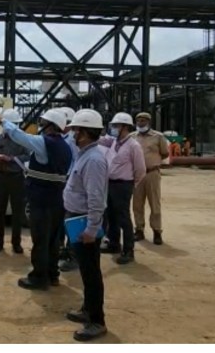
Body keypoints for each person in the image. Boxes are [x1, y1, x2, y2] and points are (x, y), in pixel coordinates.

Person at [0, 108, 72, 290]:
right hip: (57, 199)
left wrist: (1, 120)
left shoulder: (45, 143)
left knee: (40, 240)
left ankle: (39, 278)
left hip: (41, 199)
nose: (40, 125)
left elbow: (19, 136)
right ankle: (52, 275)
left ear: (51, 125)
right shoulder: (65, 147)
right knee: (52, 240)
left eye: (43, 122)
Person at [63, 109, 108, 341]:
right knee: (85, 270)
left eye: (76, 130)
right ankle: (87, 309)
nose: (73, 134)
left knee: (91, 274)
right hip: (76, 219)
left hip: (84, 222)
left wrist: (91, 229)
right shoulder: (85, 154)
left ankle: (97, 321)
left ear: (85, 132)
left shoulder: (94, 160)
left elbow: (96, 198)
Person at [99, 112, 146, 264]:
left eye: (116, 125)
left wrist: (132, 184)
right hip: (110, 183)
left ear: (125, 127)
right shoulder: (114, 142)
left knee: (123, 217)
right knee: (111, 215)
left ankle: (128, 250)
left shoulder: (133, 146)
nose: (113, 128)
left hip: (123, 185)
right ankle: (114, 244)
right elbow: (99, 141)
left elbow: (140, 169)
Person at [0, 108, 30, 254]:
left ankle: (16, 243)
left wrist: (11, 159)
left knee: (17, 213)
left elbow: (28, 156)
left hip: (17, 178)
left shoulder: (22, 140)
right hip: (0, 178)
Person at [130, 112, 169, 245]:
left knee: (154, 203)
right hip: (137, 175)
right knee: (137, 204)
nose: (141, 123)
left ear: (149, 122)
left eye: (143, 120)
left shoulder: (158, 137)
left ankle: (157, 231)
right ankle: (139, 229)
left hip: (152, 173)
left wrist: (152, 161)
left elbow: (165, 153)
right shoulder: (132, 137)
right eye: (138, 120)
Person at [57, 106, 80, 273]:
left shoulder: (73, 140)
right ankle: (64, 249)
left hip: (70, 182)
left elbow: (76, 162)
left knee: (72, 219)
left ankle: (73, 255)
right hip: (62, 182)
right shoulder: (62, 138)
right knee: (62, 219)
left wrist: (69, 179)